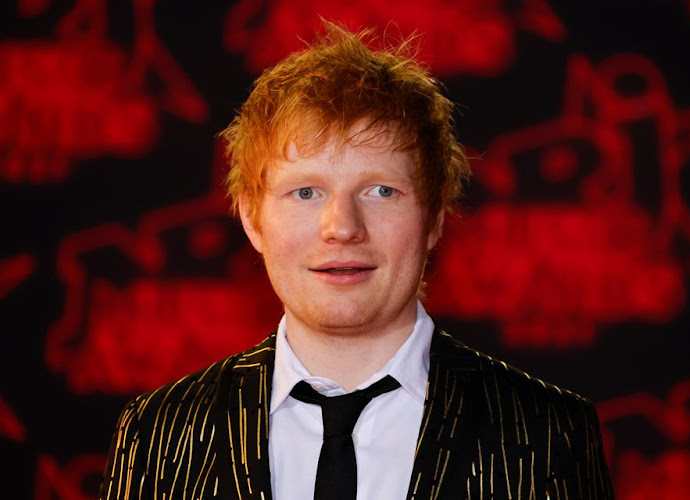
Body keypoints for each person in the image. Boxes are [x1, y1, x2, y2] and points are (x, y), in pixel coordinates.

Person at [100, 22, 613, 500]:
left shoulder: (551, 434)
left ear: (435, 217)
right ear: (252, 221)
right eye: (305, 192)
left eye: (381, 190)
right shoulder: (158, 434)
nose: (342, 226)